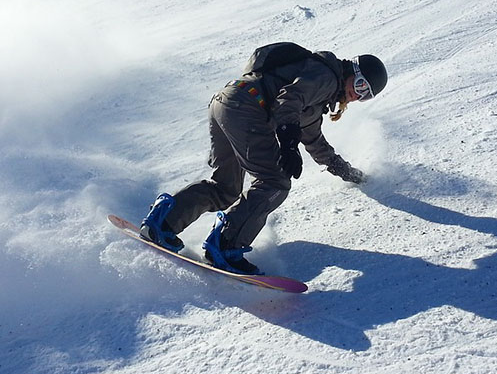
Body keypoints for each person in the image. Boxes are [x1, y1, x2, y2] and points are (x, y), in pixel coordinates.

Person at [140, 44, 388, 275]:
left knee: (226, 187)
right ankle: (226, 246)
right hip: (248, 107)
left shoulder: (319, 95)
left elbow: (315, 142)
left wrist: (345, 171)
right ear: (351, 71)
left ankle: (164, 223)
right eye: (360, 85)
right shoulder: (326, 76)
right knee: (275, 183)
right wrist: (288, 141)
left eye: (365, 95)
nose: (357, 95)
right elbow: (290, 99)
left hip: (227, 102)